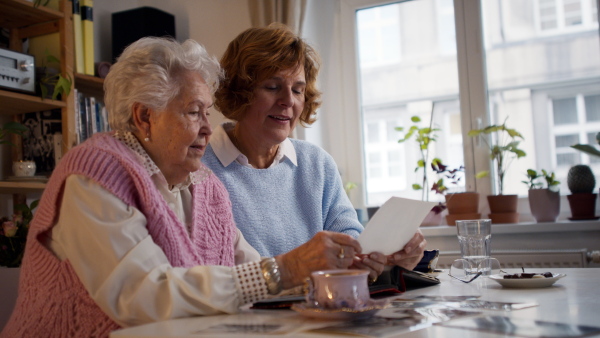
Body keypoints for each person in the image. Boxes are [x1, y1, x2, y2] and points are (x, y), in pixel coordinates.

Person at [1, 37, 367, 338]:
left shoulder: (205, 187)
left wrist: (328, 269)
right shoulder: (93, 175)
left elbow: (259, 274)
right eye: (194, 112)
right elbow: (142, 296)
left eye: (208, 112)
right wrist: (283, 271)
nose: (208, 128)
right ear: (145, 116)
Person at [202, 24, 426, 276]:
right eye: (272, 87)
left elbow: (351, 245)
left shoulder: (317, 164)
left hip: (321, 309)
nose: (288, 100)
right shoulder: (198, 168)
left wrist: (389, 257)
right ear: (239, 91)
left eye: (298, 90)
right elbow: (210, 273)